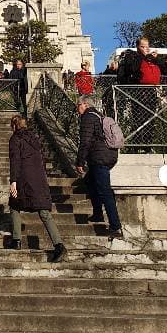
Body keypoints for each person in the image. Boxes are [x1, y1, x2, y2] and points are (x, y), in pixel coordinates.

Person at [8, 115, 66, 262]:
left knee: (14, 204)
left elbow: (15, 161)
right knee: (44, 211)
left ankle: (16, 240)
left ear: (14, 126)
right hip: (39, 179)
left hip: (24, 178)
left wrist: (13, 181)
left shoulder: (15, 139)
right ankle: (58, 244)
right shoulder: (35, 138)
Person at [75, 95, 122, 239]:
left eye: (78, 106)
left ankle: (115, 226)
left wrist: (80, 162)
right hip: (109, 155)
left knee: (105, 191)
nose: (77, 110)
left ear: (84, 104)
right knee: (89, 181)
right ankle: (98, 213)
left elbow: (85, 141)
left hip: (99, 157)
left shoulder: (88, 117)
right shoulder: (99, 115)